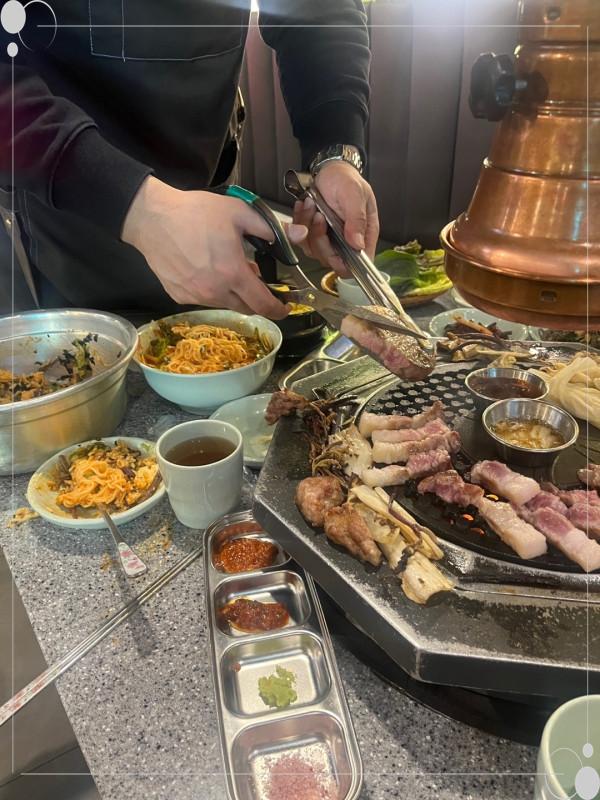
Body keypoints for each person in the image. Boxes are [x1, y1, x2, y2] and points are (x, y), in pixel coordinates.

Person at [0, 0, 379, 319]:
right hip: (73, 207)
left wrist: (335, 151)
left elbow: (318, 11)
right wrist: (141, 209)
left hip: (212, 182)